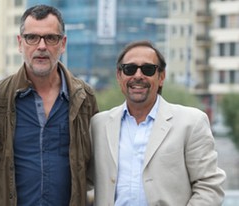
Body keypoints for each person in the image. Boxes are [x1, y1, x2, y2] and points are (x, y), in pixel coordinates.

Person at [0, 4, 98, 206]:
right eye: (32, 37)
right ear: (20, 43)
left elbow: (97, 163)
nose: (42, 46)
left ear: (63, 44)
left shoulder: (84, 98)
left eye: (51, 38)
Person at [89, 40, 226, 205]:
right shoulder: (98, 125)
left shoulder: (191, 123)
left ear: (161, 77)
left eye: (147, 69)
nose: (138, 76)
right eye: (130, 69)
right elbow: (84, 182)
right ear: (119, 76)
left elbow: (209, 185)